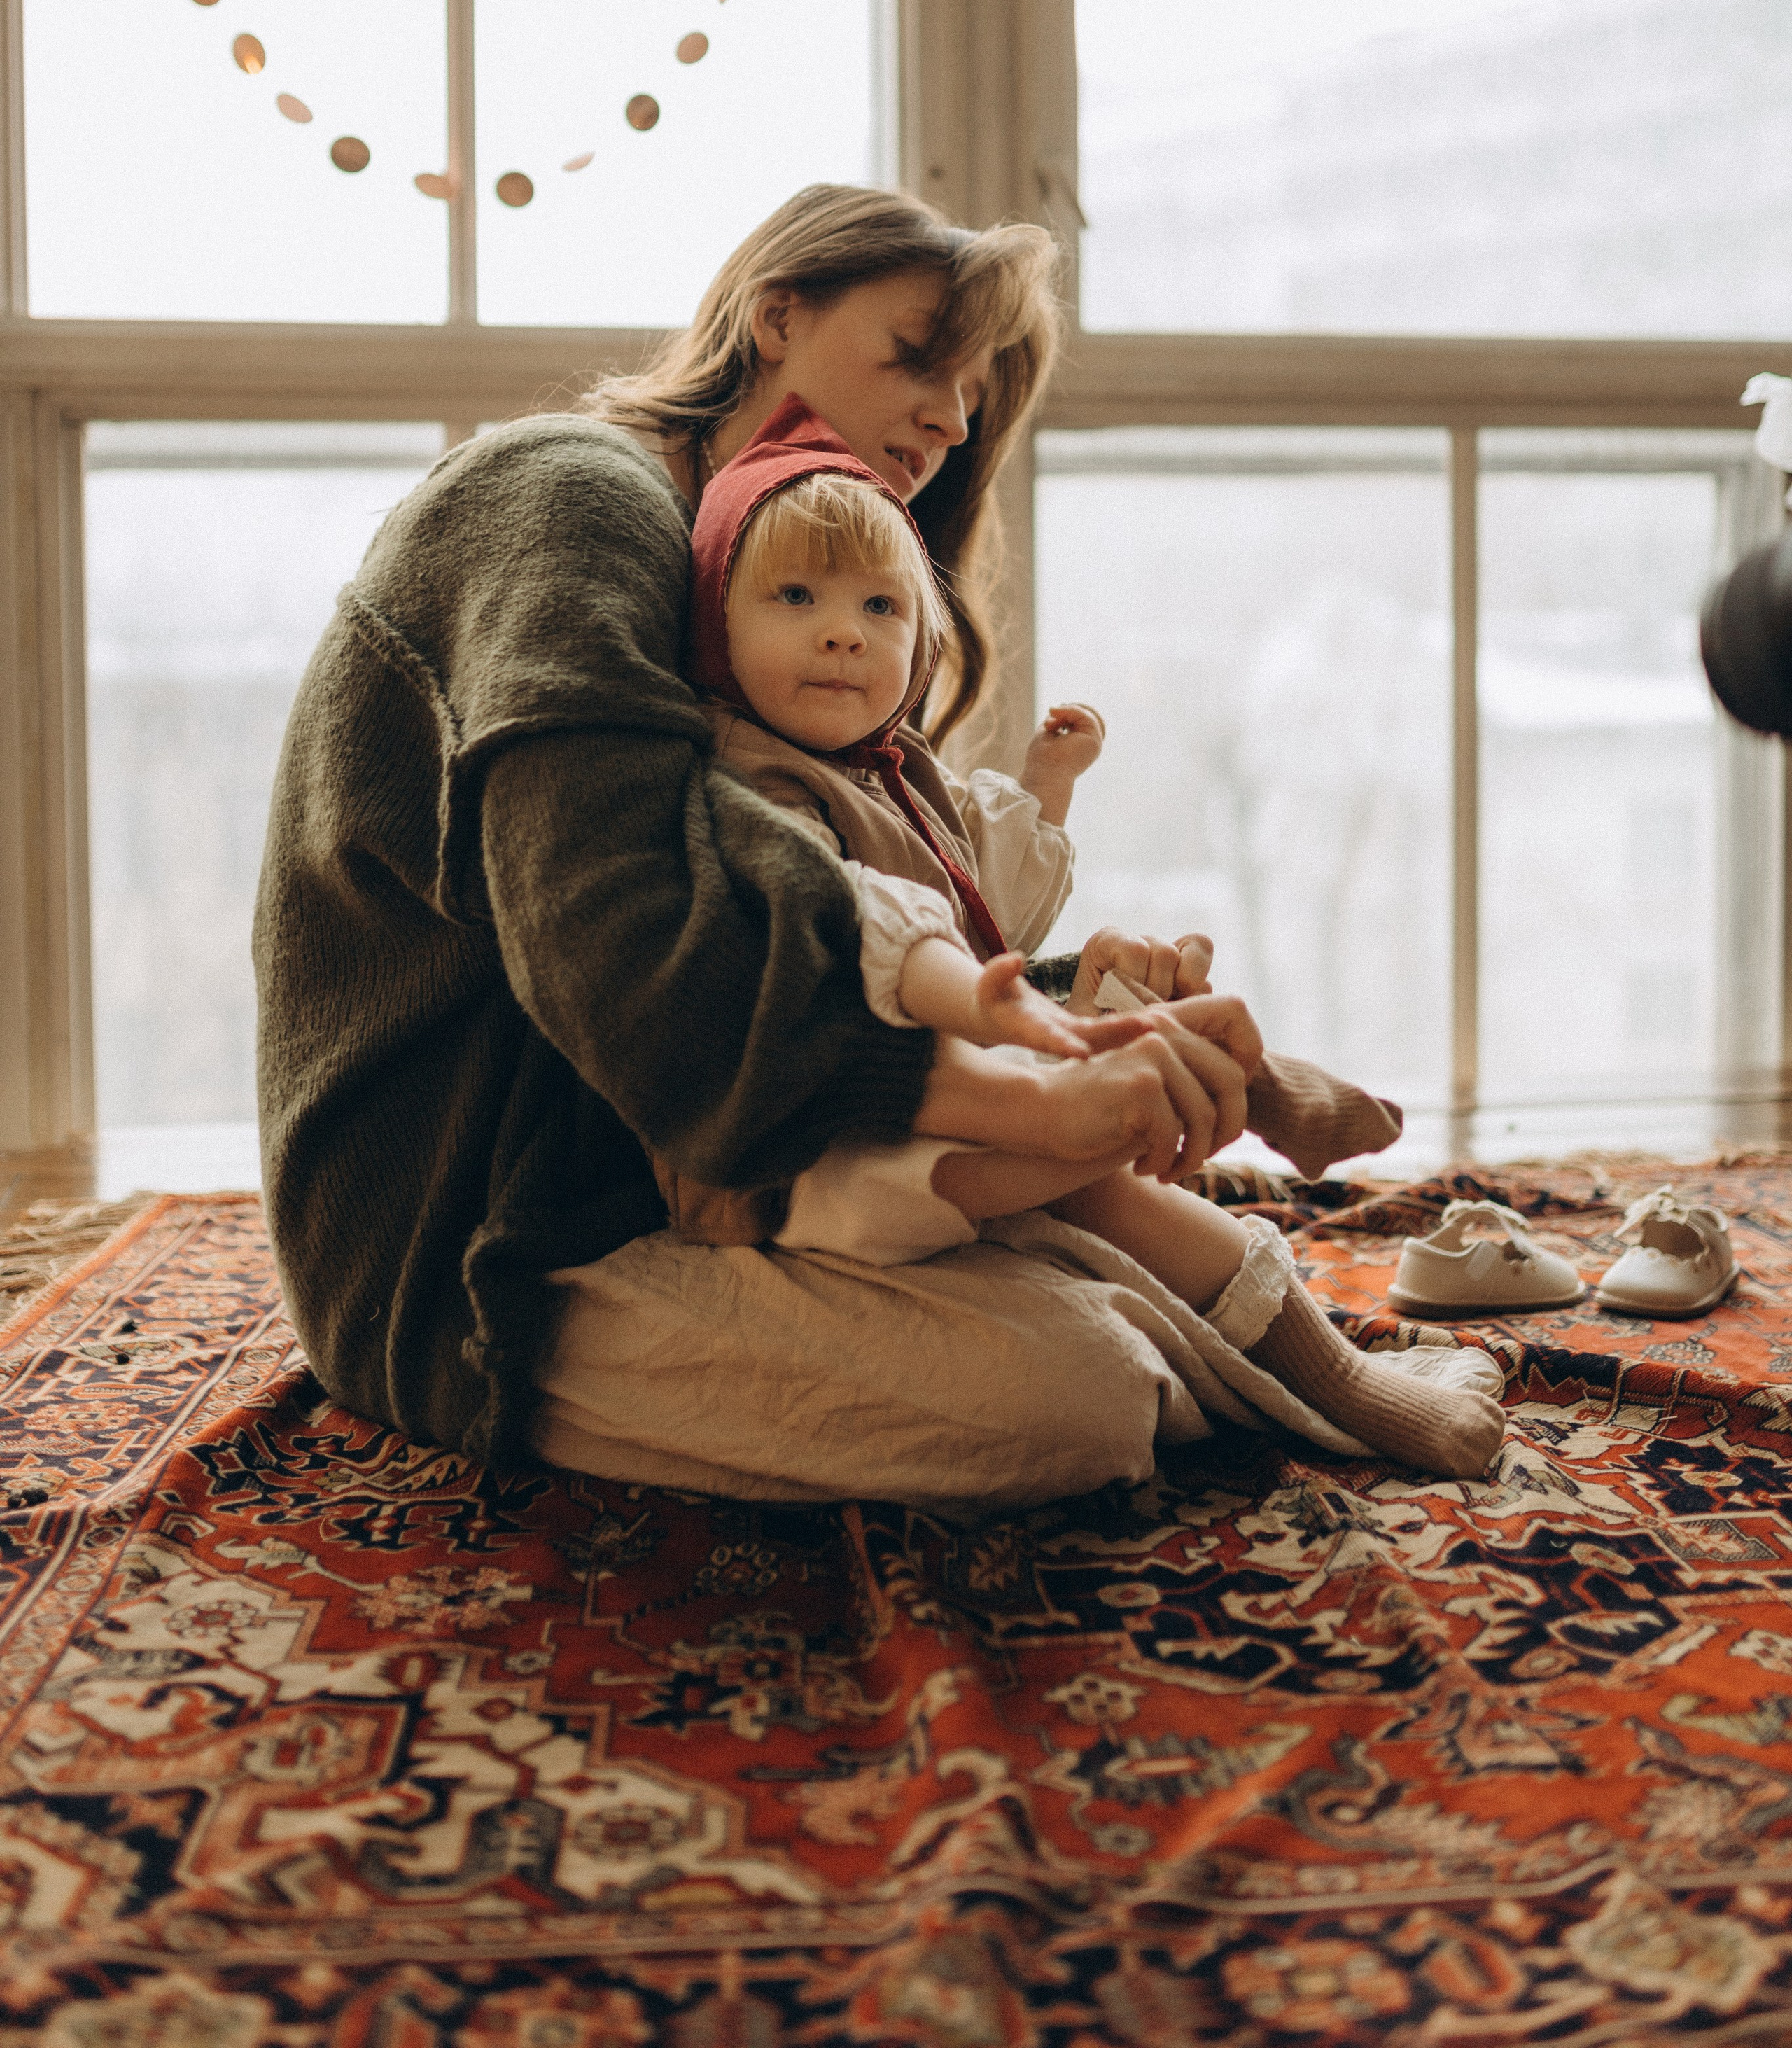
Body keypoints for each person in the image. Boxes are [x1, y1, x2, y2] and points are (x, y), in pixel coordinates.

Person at [256, 183, 1499, 1514]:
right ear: (774, 316)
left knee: (1087, 1224)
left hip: (659, 1149)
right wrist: (1034, 1094)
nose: (954, 418)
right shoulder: (569, 499)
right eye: (920, 355)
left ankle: (1245, 1330)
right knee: (1085, 1397)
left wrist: (1071, 1000)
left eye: (974, 390)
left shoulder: (728, 591)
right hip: (486, 1240)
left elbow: (819, 918)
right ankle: (1230, 1345)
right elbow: (639, 977)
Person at [587, 387, 1500, 1486]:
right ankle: (1344, 1367)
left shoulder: (886, 768)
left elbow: (984, 905)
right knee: (1110, 1170)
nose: (843, 630)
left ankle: (1250, 1086)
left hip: (935, 1093)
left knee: (1112, 1024)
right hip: (815, 1157)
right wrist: (996, 1015)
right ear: (715, 628)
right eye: (794, 595)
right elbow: (863, 926)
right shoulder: (751, 785)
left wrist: (1045, 788)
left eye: (882, 607)